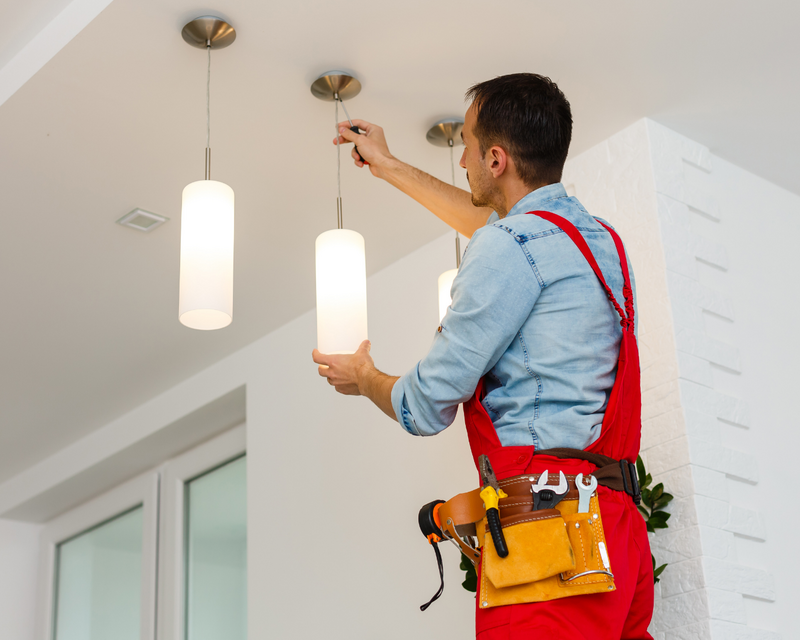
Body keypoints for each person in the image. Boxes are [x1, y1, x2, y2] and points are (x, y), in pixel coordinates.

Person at [312, 73, 653, 639]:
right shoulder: (598, 241)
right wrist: (389, 164)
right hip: (616, 533)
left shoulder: (510, 248)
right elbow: (506, 232)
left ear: (496, 159)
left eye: (467, 144)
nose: (461, 158)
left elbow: (423, 407)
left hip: (549, 535)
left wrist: (367, 376)